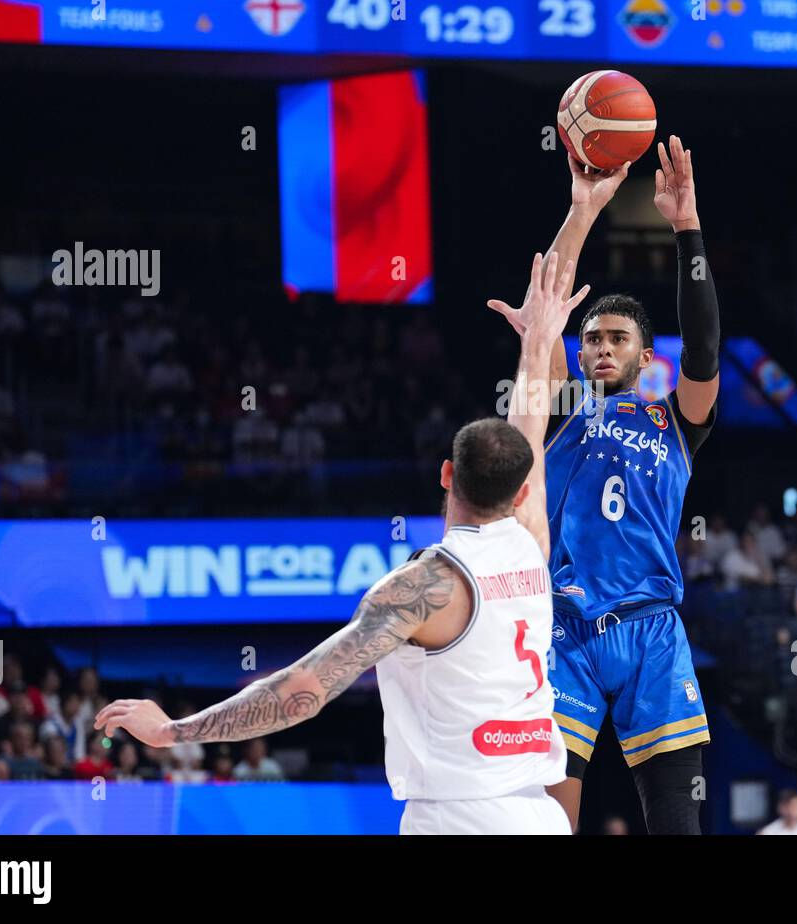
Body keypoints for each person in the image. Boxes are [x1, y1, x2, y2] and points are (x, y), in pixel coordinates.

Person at [98, 251, 586, 835]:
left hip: (462, 818)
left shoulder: (424, 586)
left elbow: (303, 690)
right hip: (540, 813)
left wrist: (173, 730)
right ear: (523, 488)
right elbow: (529, 425)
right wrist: (538, 342)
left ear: (446, 476)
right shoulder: (528, 542)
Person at [487, 136, 720, 834]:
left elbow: (705, 347)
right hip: (564, 630)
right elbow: (548, 303)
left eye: (617, 338)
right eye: (591, 338)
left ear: (646, 358)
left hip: (652, 627)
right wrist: (581, 208)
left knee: (677, 821)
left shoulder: (677, 420)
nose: (601, 348)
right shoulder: (557, 410)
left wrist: (687, 229)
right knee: (548, 821)